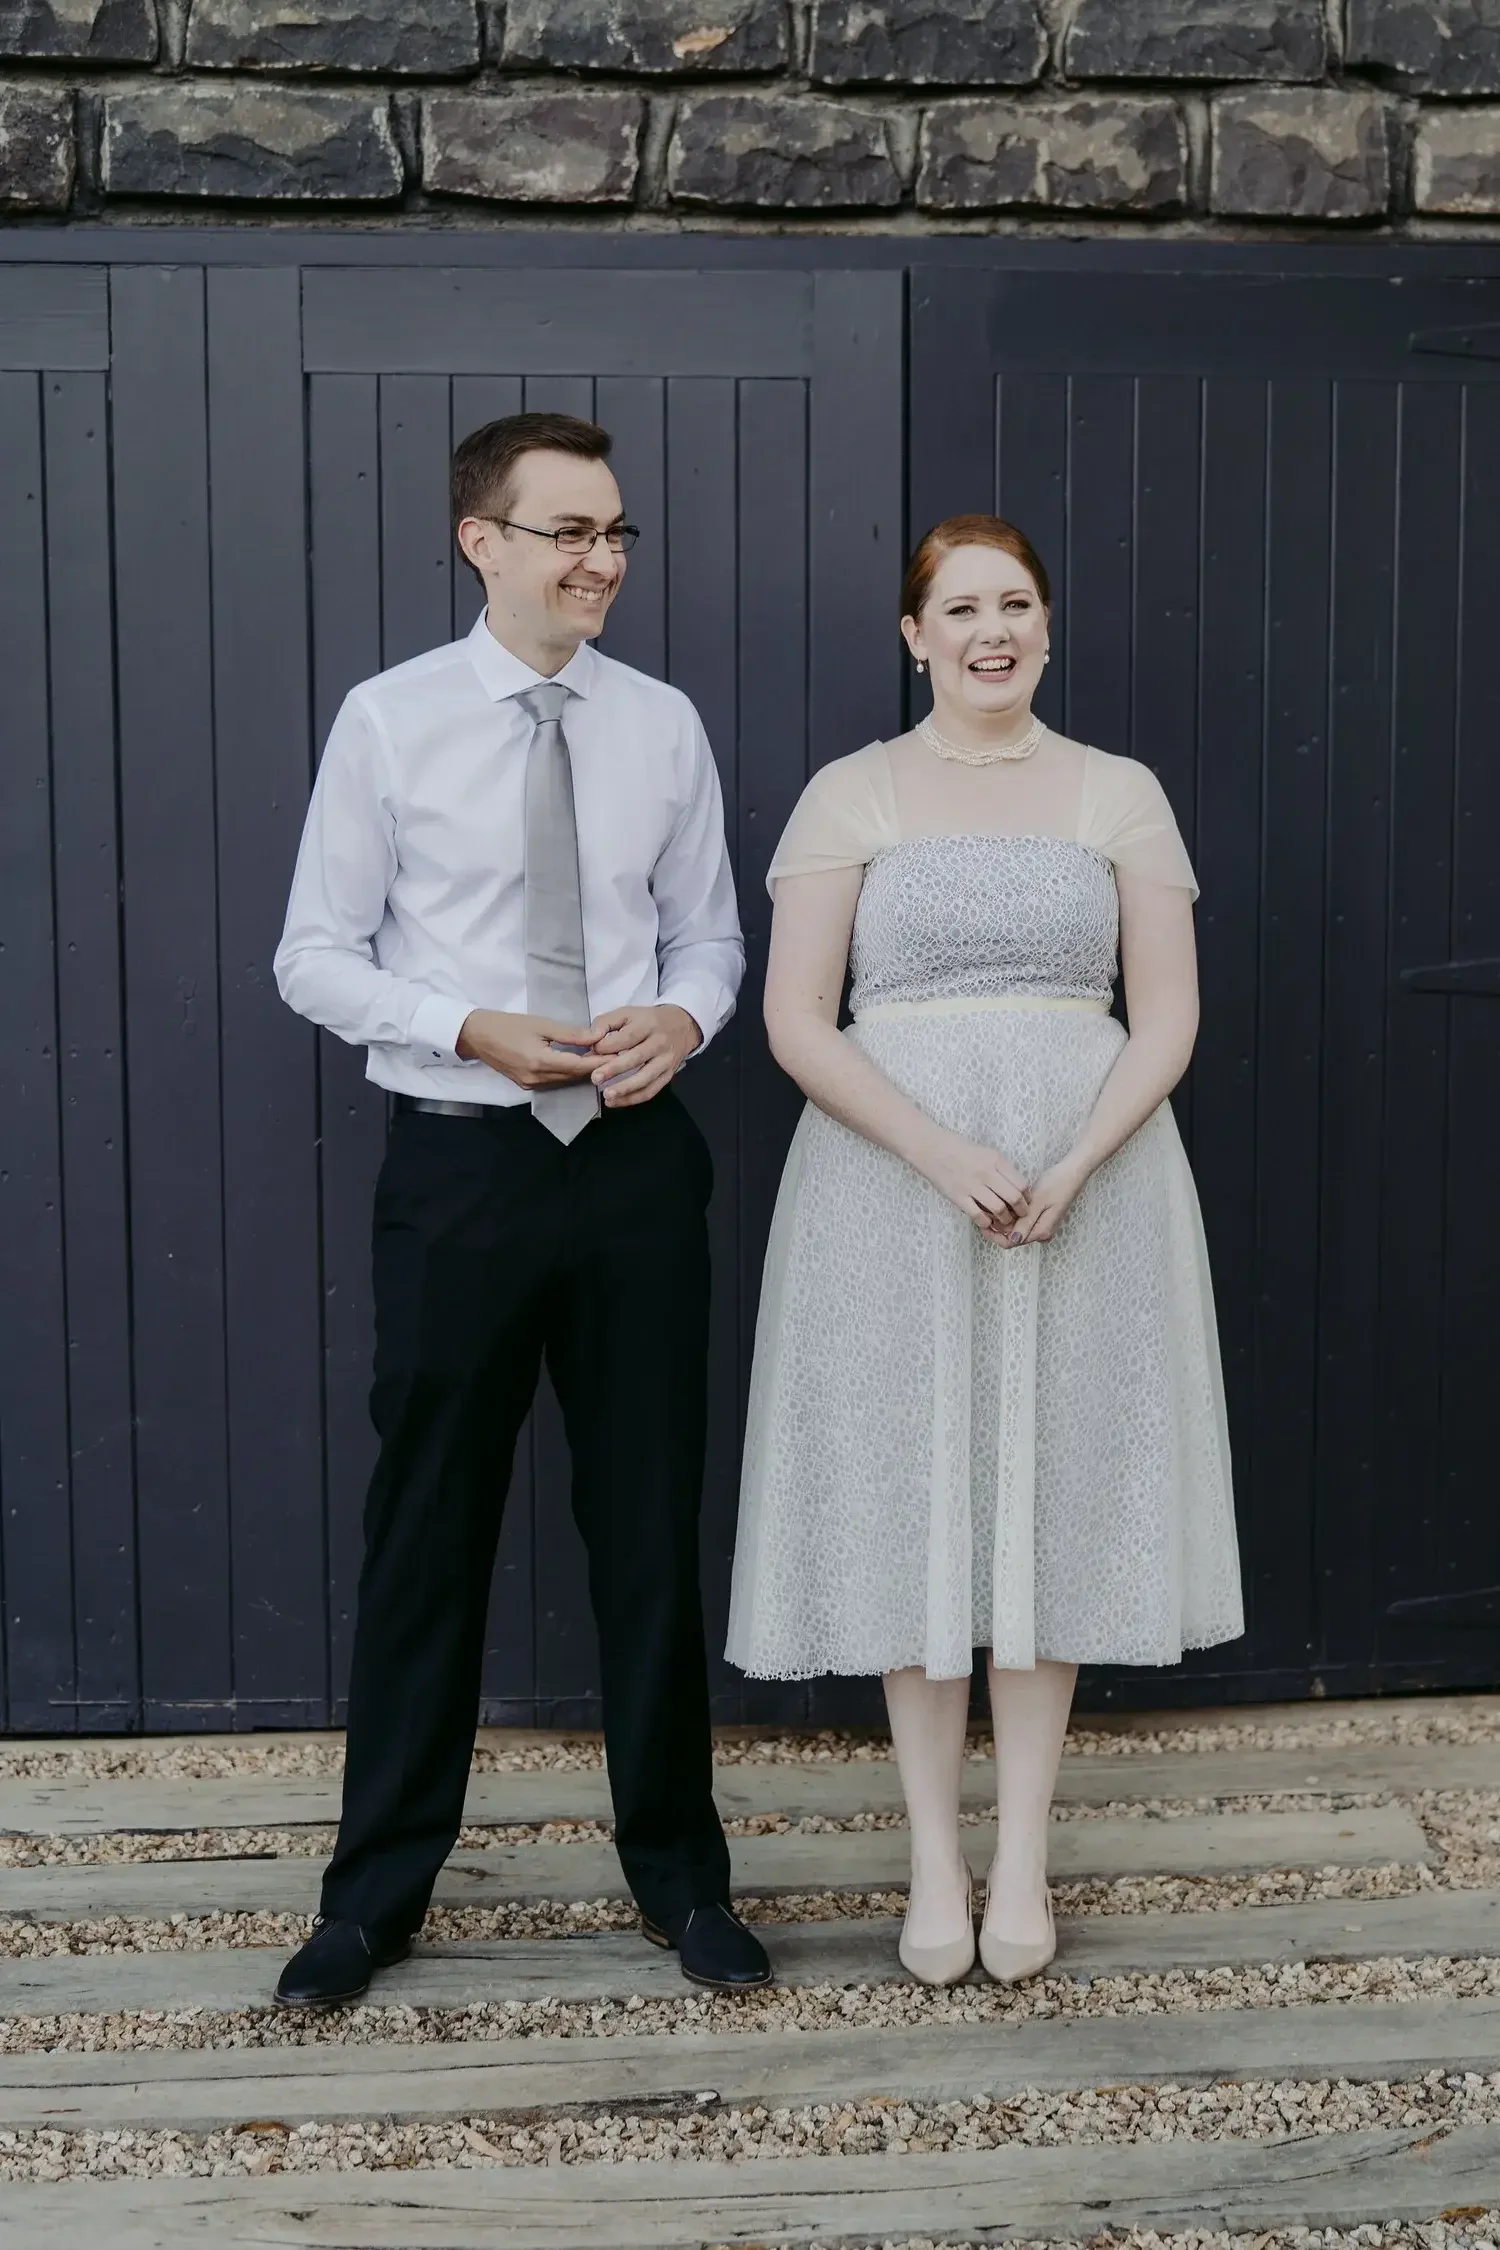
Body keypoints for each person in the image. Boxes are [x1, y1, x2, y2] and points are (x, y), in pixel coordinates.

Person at [272, 412, 771, 2006]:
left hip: (633, 1170)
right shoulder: (390, 721)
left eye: (617, 532)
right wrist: (466, 1025)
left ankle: (683, 1879)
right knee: (428, 1528)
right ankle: (374, 1897)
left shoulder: (664, 726)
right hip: (463, 1162)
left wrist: (685, 1023)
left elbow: (709, 944)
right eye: (568, 531)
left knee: (648, 1526)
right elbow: (313, 954)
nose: (602, 560)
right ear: (480, 540)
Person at [727, 515, 1243, 1987]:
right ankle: (932, 1861)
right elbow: (795, 1021)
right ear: (915, 635)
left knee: (1046, 1496)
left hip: (1089, 1185)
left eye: (1015, 602)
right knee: (916, 1494)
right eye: (960, 607)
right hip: (892, 1186)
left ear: (1048, 625)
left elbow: (1169, 1016)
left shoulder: (1118, 794)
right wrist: (940, 1147)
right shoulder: (855, 795)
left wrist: (1079, 1157)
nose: (990, 629)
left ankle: (1021, 1854)